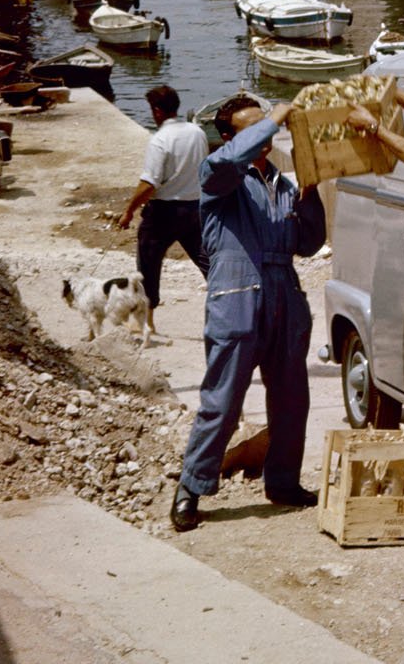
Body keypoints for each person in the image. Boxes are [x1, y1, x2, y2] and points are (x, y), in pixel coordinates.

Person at [170, 97, 327, 532]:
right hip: (237, 298)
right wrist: (277, 114)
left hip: (285, 299)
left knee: (293, 400)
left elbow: (309, 244)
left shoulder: (282, 184)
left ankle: (283, 482)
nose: (267, 137)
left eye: (268, 127)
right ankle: (192, 486)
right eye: (254, 128)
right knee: (221, 402)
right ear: (228, 138)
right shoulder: (218, 177)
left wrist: (311, 195)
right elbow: (230, 163)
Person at [117, 85, 211, 334]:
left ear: (157, 111)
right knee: (208, 261)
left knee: (148, 263)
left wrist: (129, 210)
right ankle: (230, 304)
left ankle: (145, 320)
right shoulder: (197, 132)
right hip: (194, 208)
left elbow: (150, 183)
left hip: (163, 211)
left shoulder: (160, 140)